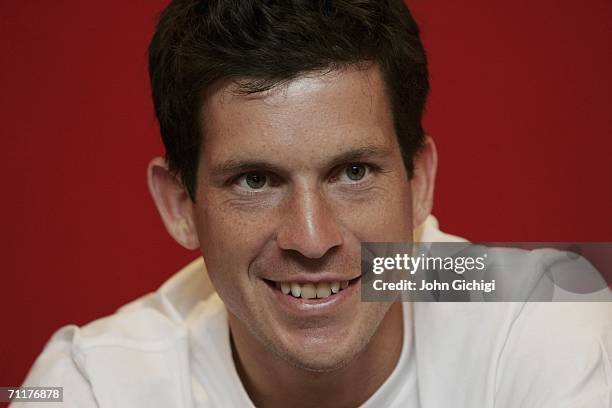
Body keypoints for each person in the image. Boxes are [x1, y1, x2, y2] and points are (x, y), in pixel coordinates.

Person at [18, 1, 612, 407]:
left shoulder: (545, 318)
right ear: (180, 204)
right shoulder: (95, 386)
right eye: (255, 180)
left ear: (419, 182)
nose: (311, 237)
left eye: (353, 172)